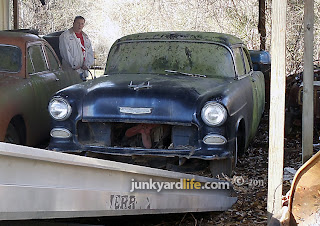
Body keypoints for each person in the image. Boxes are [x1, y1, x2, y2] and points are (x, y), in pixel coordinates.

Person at [59, 16, 94, 81]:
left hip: (83, 71)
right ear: (73, 23)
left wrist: (87, 64)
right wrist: (74, 64)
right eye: (78, 23)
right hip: (70, 72)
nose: (80, 26)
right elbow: (65, 52)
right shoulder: (65, 36)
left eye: (82, 24)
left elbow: (90, 52)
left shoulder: (85, 37)